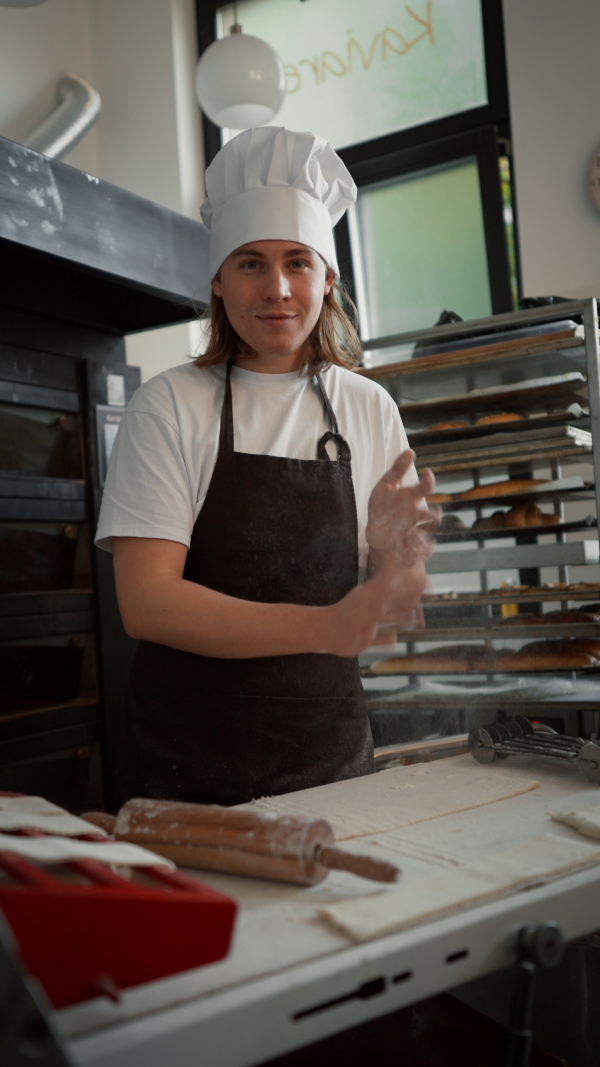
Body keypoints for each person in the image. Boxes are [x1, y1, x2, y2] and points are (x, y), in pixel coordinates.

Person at [95, 127, 437, 807]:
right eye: (250, 263)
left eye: (297, 262)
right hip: (186, 774)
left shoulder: (367, 407)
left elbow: (396, 605)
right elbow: (147, 602)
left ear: (328, 277)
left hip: (329, 764)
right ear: (218, 281)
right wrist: (323, 626)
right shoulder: (169, 405)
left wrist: (398, 562)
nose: (277, 288)